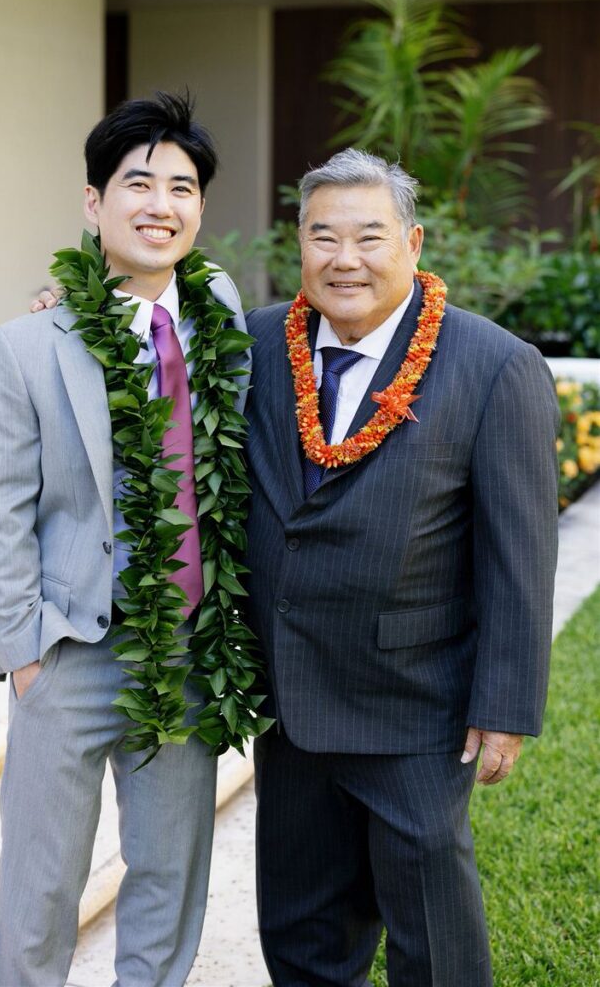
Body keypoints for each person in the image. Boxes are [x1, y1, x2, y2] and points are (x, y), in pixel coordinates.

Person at [243, 148, 559, 986]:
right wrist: (69, 307)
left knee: (432, 934)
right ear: (299, 245)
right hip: (290, 703)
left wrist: (506, 702)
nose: (344, 259)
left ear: (412, 245)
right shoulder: (253, 347)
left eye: (368, 237)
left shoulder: (492, 366)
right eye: (323, 237)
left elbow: (518, 552)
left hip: (415, 703)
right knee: (300, 923)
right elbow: (148, 345)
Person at [0, 93, 254, 987]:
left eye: (181, 186)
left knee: (170, 879)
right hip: (71, 647)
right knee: (41, 887)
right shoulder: (26, 346)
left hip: (189, 651)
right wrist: (24, 652)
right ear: (94, 203)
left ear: (200, 210)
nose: (159, 204)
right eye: (138, 183)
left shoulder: (224, 325)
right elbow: (0, 507)